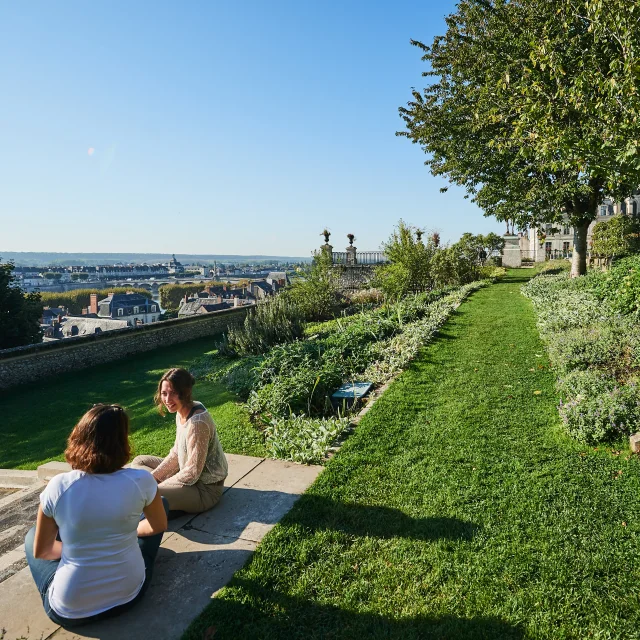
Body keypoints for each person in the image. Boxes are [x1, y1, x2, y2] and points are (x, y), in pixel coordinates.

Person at [24, 404, 168, 627]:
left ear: (79, 437)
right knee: (162, 506)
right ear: (122, 441)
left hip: (70, 611)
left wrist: (83, 549)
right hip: (129, 595)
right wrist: (127, 534)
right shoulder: (142, 481)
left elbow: (43, 551)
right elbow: (158, 526)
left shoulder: (59, 487)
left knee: (32, 536)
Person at [131, 368, 228, 513]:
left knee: (145, 495)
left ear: (186, 392)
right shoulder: (182, 411)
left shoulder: (197, 423)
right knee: (140, 461)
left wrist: (155, 485)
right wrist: (153, 478)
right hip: (187, 475)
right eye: (164, 393)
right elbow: (176, 453)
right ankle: (163, 501)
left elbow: (192, 472)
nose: (167, 400)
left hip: (205, 490)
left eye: (173, 393)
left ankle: (158, 502)